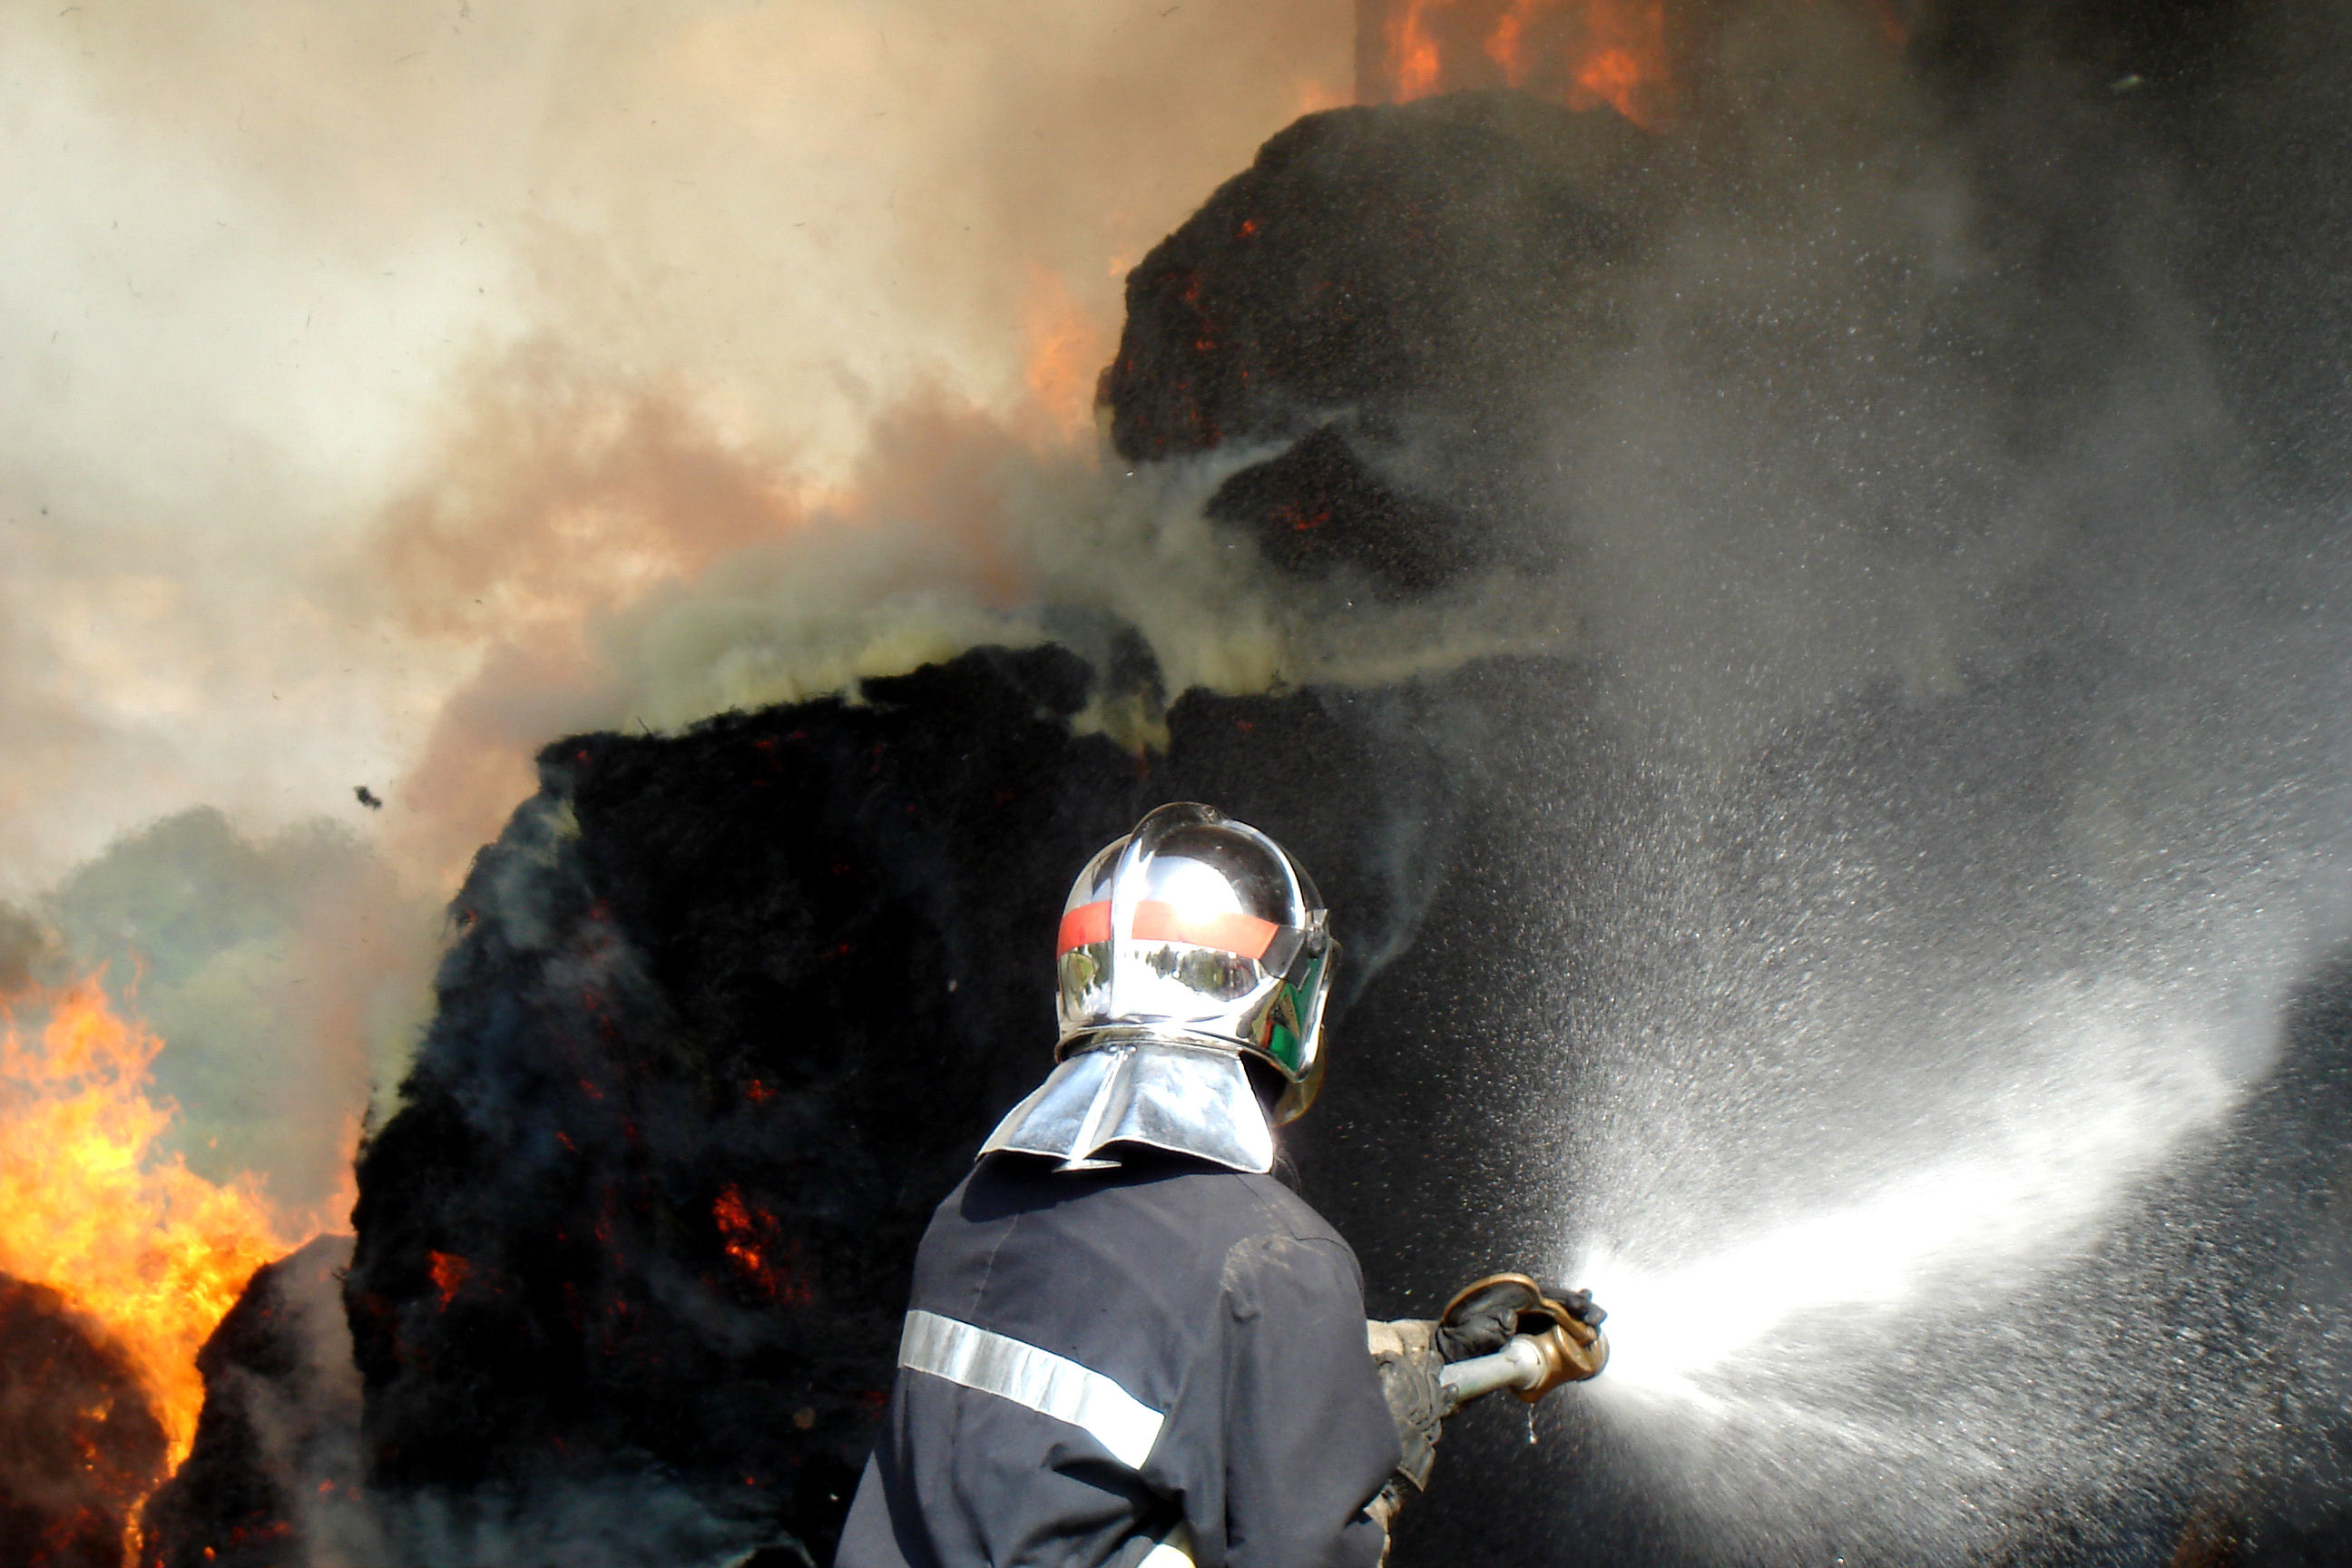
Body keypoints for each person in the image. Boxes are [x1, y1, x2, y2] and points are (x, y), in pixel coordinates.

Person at [835, 802, 1499, 1568]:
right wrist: (1370, 1490)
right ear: (1284, 1000)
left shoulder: (972, 1213)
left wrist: (1380, 1355)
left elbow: (1140, 1373)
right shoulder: (1278, 1261)